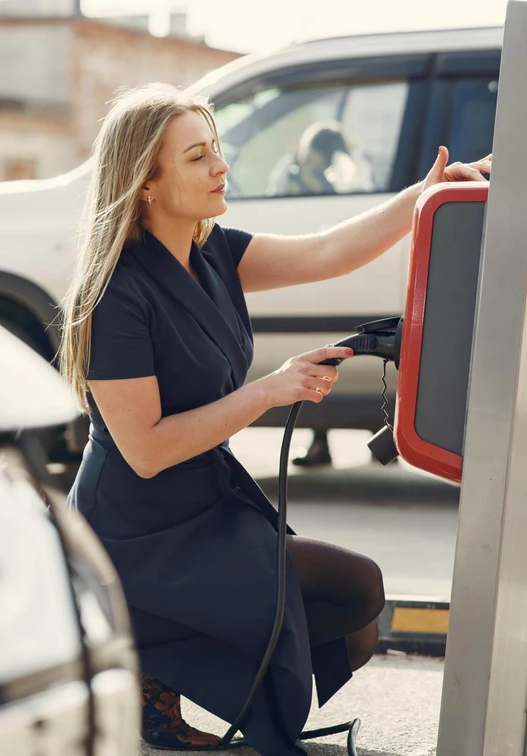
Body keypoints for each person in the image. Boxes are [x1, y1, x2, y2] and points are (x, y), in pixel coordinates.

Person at [58, 83, 490, 755]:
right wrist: (271, 391)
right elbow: (143, 450)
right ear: (146, 181)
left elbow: (327, 253)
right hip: (139, 534)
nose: (220, 168)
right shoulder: (116, 292)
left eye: (216, 151)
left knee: (356, 608)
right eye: (197, 157)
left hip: (204, 505)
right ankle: (146, 651)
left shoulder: (215, 253)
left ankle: (150, 667)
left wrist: (425, 197)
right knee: (352, 594)